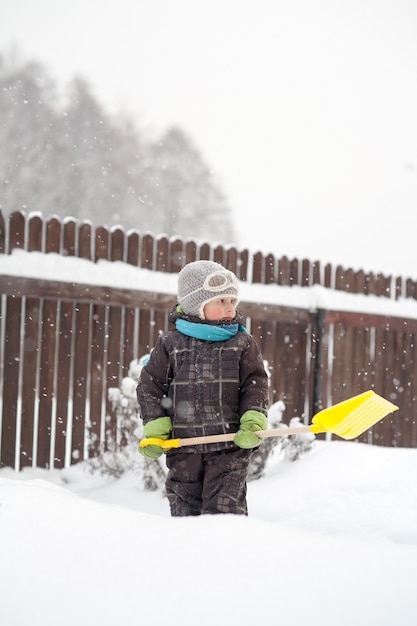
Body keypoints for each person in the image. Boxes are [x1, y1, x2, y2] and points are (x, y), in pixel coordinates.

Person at [136, 260, 269, 516]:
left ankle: (224, 554)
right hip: (183, 449)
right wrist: (155, 423)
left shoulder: (242, 343)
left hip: (229, 447)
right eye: (221, 301)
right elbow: (150, 385)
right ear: (196, 304)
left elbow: (256, 384)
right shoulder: (170, 343)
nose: (230, 308)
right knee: (185, 514)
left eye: (232, 301)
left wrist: (253, 418)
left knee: (225, 513)